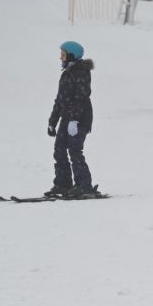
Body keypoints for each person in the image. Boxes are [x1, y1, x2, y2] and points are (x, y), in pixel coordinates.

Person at [46, 41, 96, 198]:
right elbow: (60, 99)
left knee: (74, 150)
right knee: (59, 150)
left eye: (63, 54)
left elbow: (81, 98)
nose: (61, 57)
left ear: (72, 55)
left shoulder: (81, 73)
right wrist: (52, 122)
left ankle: (84, 185)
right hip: (67, 118)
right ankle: (63, 184)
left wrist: (74, 120)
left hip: (80, 118)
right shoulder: (66, 74)